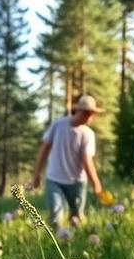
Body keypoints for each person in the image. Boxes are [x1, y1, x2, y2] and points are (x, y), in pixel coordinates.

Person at [32, 94, 104, 226]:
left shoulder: (87, 134)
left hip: (77, 182)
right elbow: (44, 149)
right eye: (87, 113)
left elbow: (86, 160)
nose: (90, 117)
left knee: (76, 218)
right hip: (54, 179)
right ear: (78, 111)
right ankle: (55, 243)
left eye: (91, 114)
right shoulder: (58, 125)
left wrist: (96, 184)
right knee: (55, 216)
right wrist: (37, 174)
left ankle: (75, 244)